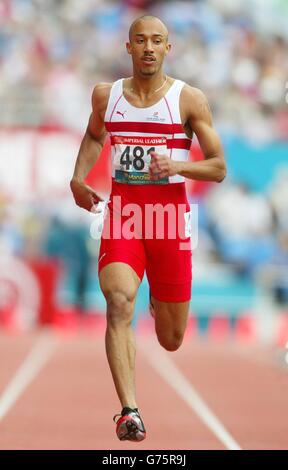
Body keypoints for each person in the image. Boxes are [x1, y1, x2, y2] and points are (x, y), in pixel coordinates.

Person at [70, 15, 226, 442]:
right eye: (140, 40)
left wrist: (177, 163)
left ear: (167, 48)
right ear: (128, 47)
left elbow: (218, 167)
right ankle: (129, 411)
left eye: (157, 41)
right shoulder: (107, 95)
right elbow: (93, 136)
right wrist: (78, 179)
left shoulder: (189, 99)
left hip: (169, 221)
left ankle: (159, 295)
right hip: (124, 215)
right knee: (119, 301)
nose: (148, 48)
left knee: (172, 338)